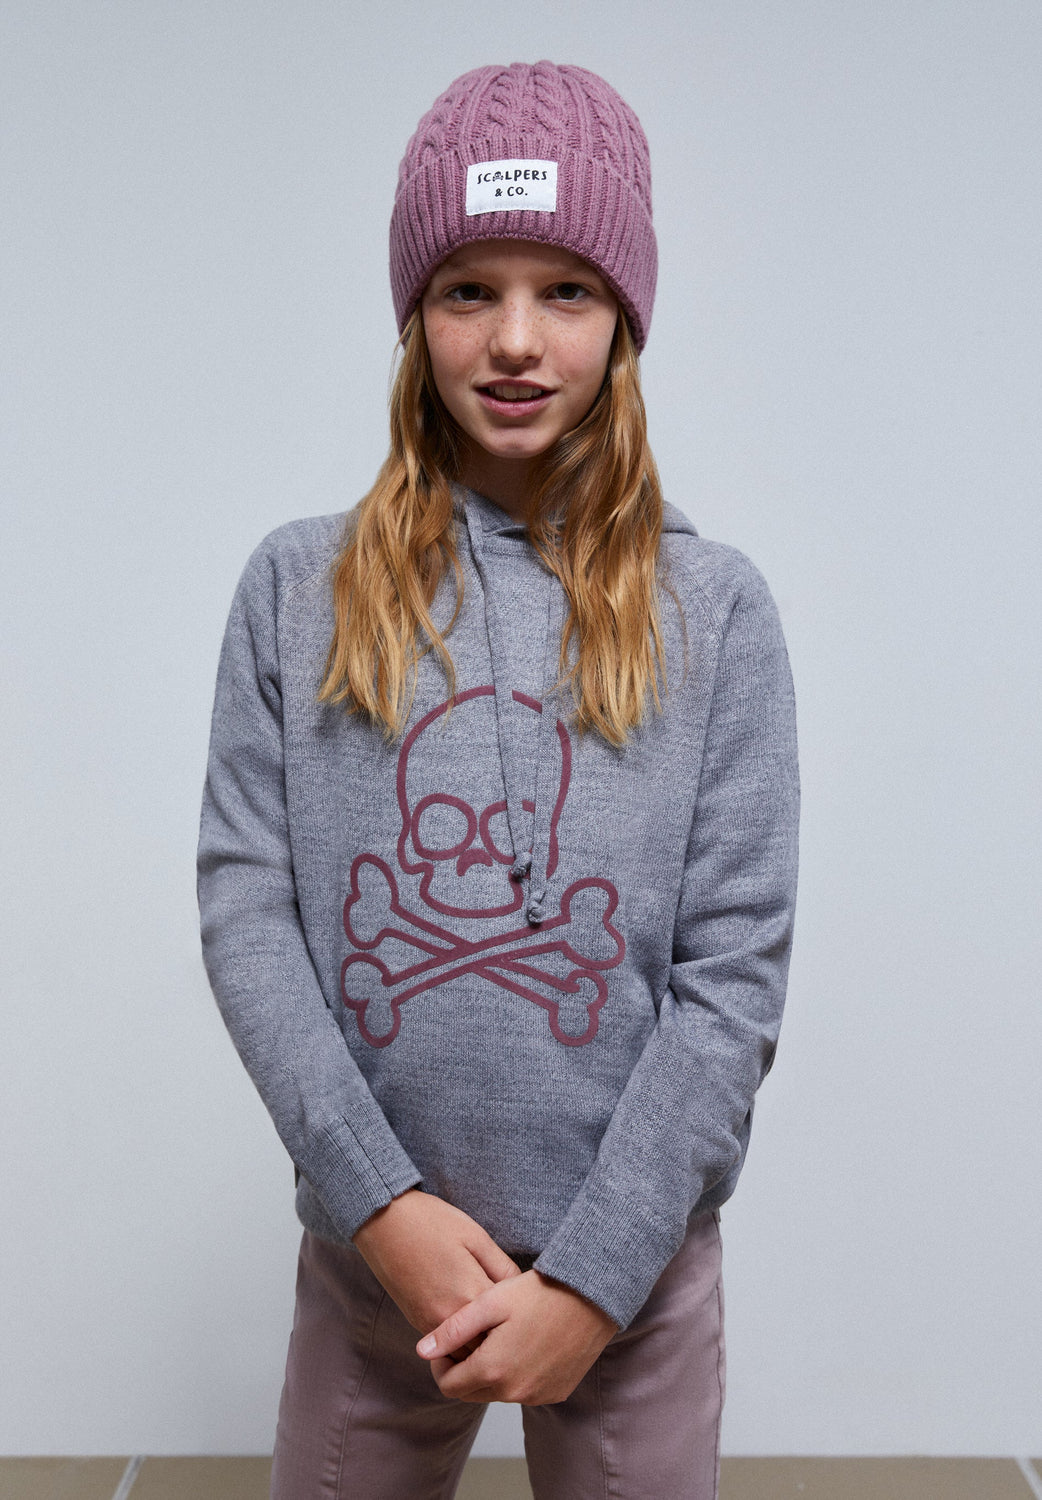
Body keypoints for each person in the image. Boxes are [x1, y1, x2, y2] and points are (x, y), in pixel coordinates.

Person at [197, 59, 799, 1500]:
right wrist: (380, 1206)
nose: (516, 340)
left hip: (632, 1276)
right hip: (378, 1261)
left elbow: (732, 976)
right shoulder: (297, 590)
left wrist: (594, 1277)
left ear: (625, 319)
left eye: (566, 292)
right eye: (469, 289)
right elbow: (248, 917)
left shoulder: (716, 612)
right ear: (414, 315)